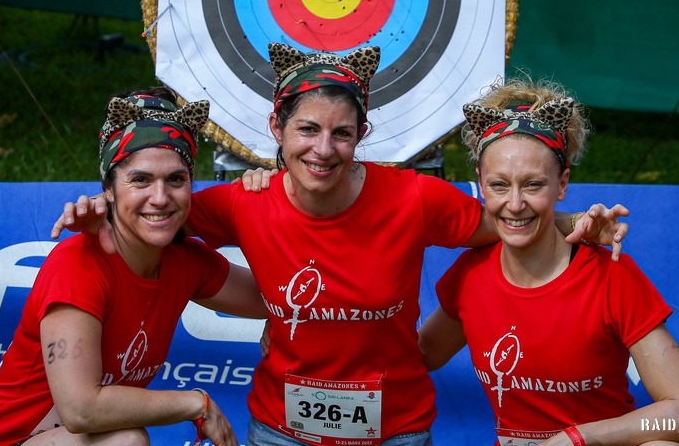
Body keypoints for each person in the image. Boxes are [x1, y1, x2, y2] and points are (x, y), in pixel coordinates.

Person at [51, 43, 630, 446]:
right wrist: (99, 208)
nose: (323, 149)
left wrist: (579, 221)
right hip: (281, 431)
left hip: (395, 431)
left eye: (342, 133)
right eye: (306, 129)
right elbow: (155, 212)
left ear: (362, 136)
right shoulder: (243, 202)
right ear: (276, 130)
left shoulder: (414, 198)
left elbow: (509, 217)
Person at [0, 88, 267, 446]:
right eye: (141, 180)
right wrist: (197, 404)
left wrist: (261, 204)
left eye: (176, 179)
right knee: (126, 441)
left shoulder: (186, 262)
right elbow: (81, 409)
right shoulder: (78, 263)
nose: (160, 197)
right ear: (110, 190)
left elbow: (280, 297)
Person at [417, 77, 679, 446]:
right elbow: (420, 355)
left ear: (563, 184)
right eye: (499, 185)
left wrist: (577, 438)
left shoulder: (610, 276)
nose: (515, 204)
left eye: (533, 185)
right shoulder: (471, 273)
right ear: (481, 183)